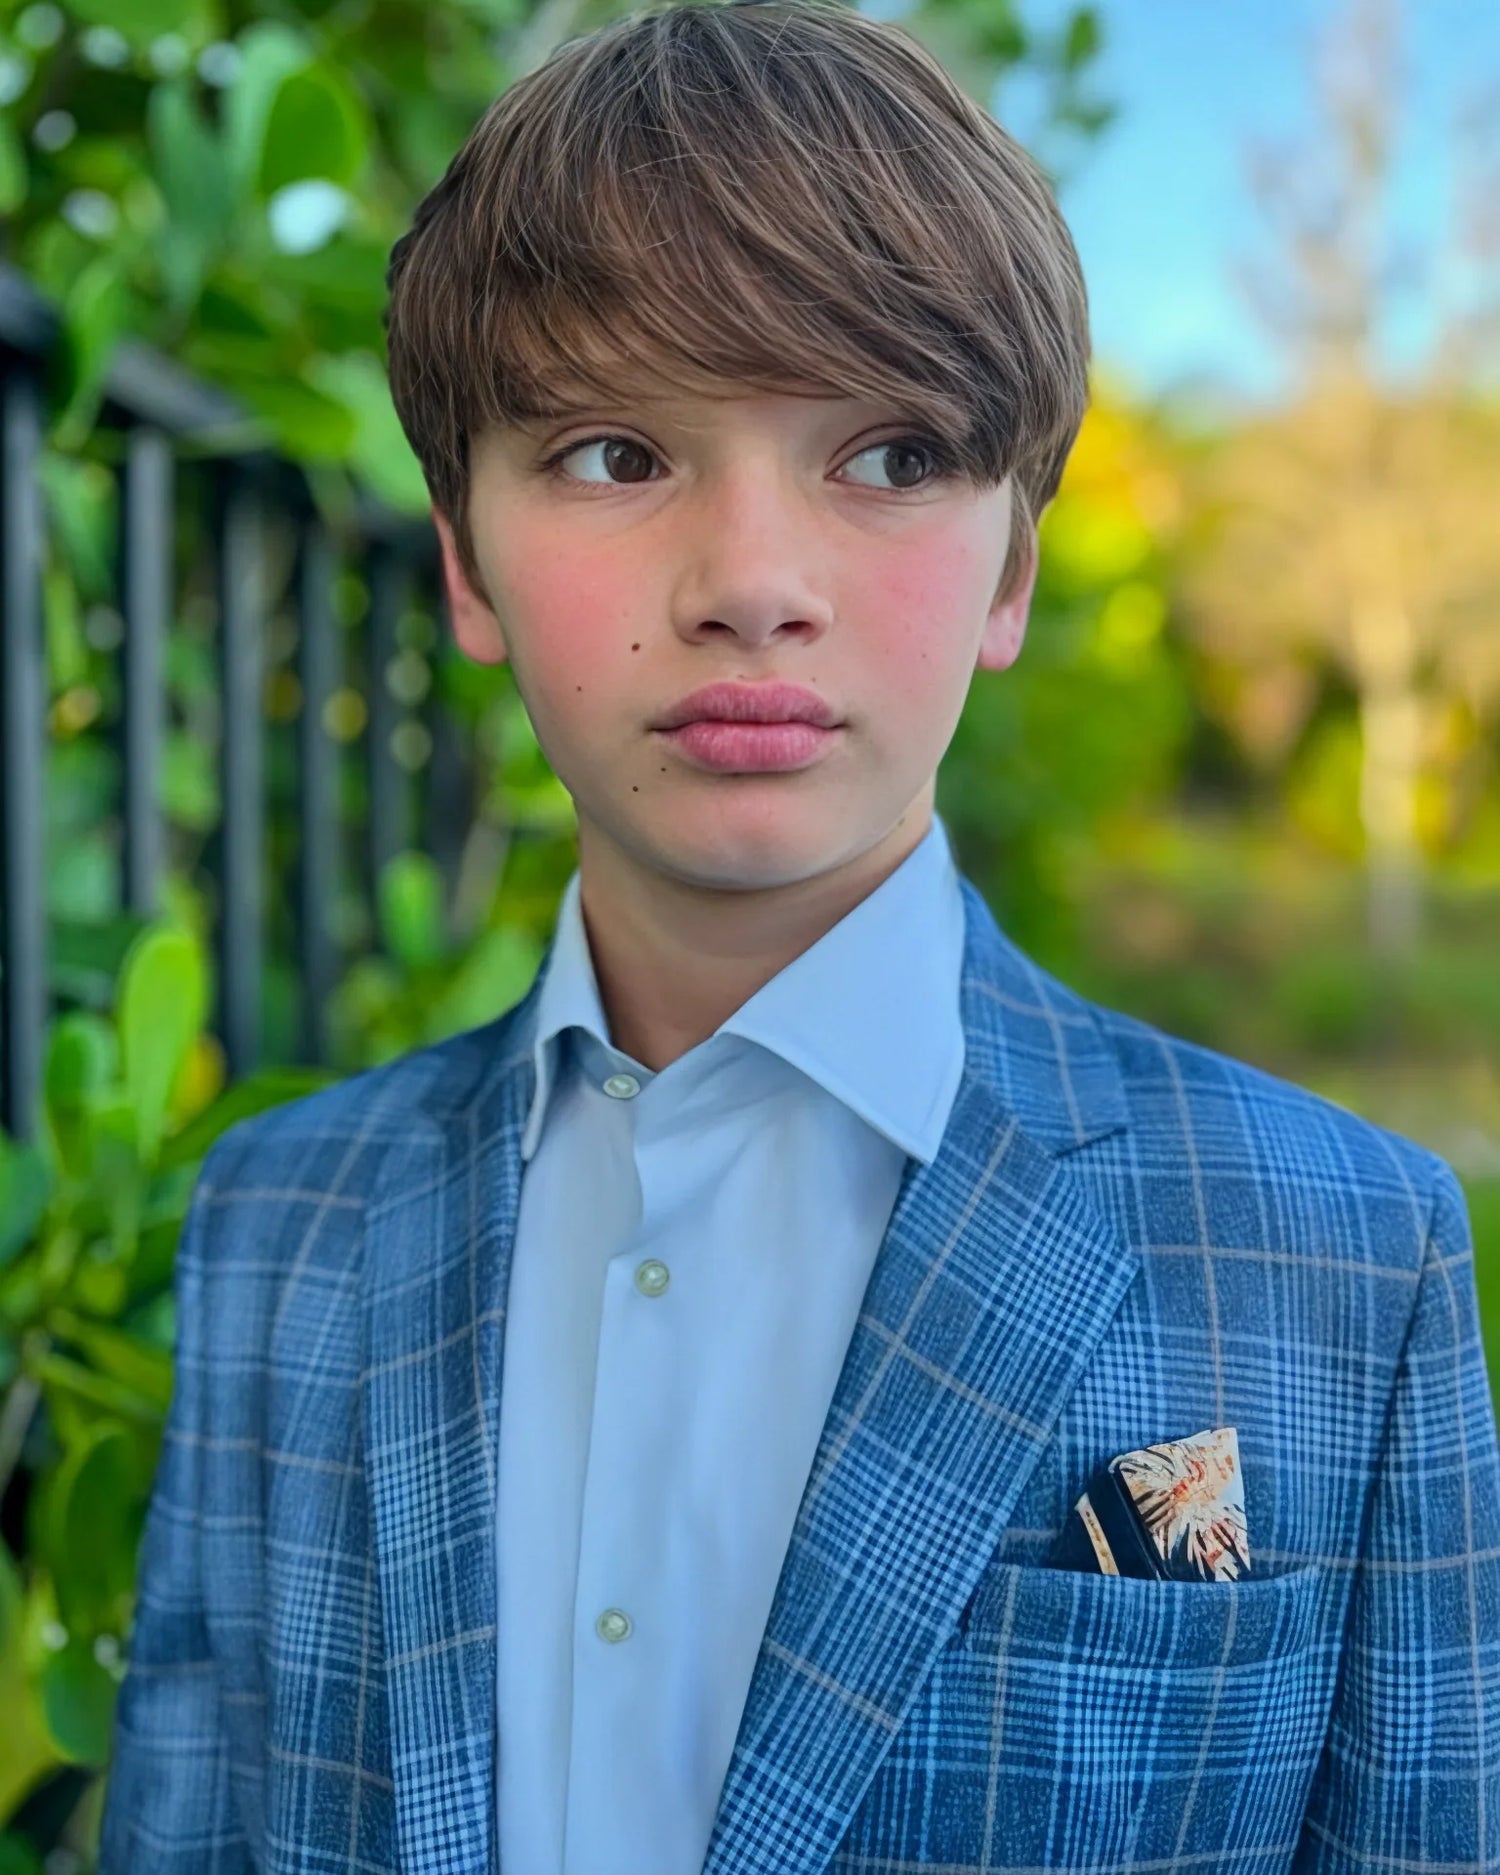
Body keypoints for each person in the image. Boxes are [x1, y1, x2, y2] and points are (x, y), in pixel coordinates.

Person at [100, 1, 1500, 1869]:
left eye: (892, 456)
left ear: (1012, 563)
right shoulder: (277, 1225)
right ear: (461, 558)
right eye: (612, 453)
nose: (752, 583)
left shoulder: (1345, 1256)